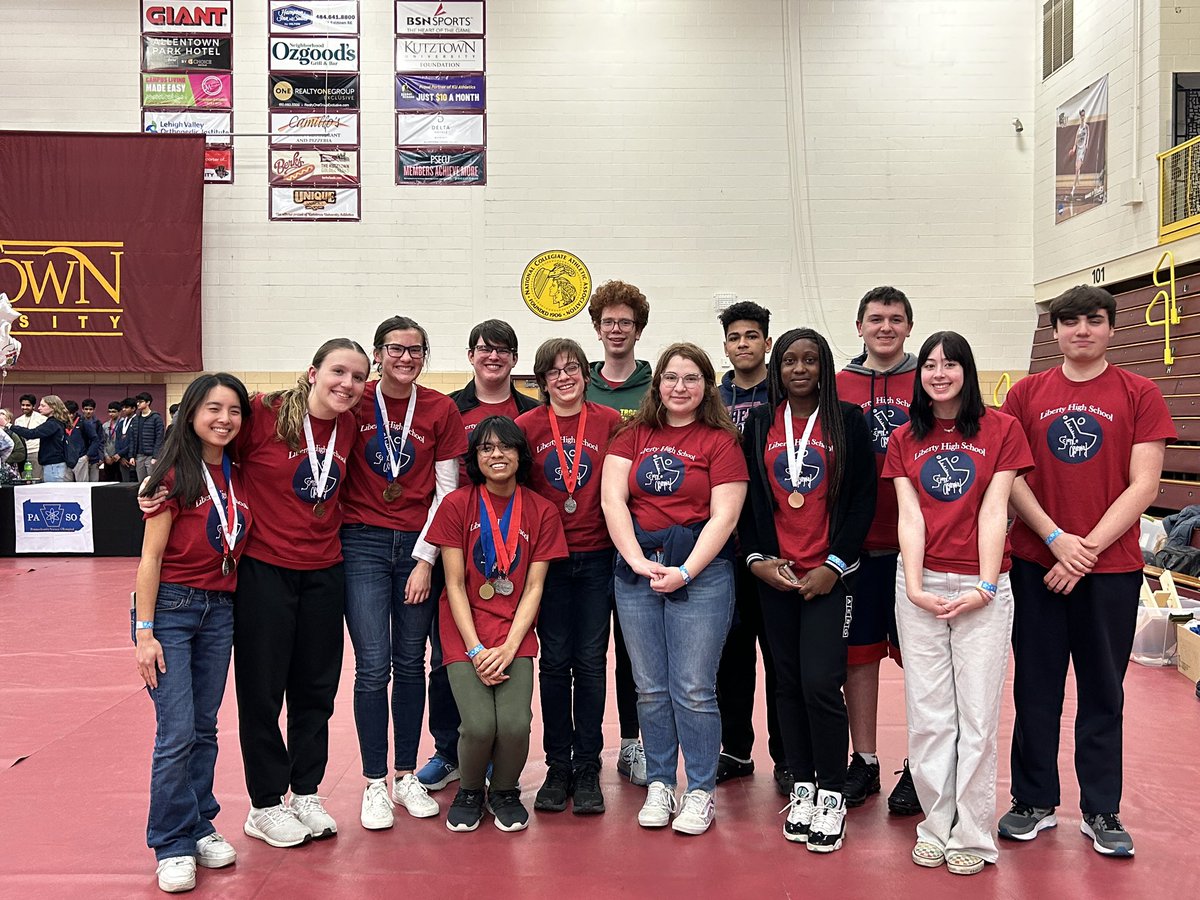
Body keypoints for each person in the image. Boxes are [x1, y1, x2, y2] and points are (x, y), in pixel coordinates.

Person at [999, 285, 1175, 858]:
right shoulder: (1026, 394)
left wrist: (1086, 551)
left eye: (1093, 321)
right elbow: (1011, 477)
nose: (1081, 331)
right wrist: (1054, 539)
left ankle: (1101, 808)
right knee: (1036, 685)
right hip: (1037, 564)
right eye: (1070, 322)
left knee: (1104, 690)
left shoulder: (1139, 392)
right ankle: (1033, 800)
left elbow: (1144, 485)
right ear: (1054, 332)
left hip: (1110, 568)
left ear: (1110, 328)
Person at [883, 331, 1033, 876]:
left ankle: (972, 832)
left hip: (984, 587)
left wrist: (987, 586)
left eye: (950, 364)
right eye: (929, 365)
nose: (939, 373)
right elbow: (911, 517)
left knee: (976, 714)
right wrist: (917, 585)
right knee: (928, 717)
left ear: (967, 371)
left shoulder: (1002, 430)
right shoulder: (905, 437)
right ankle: (934, 823)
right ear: (919, 375)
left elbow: (996, 512)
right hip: (919, 583)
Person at [601, 342, 748, 836]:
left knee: (694, 689)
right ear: (657, 383)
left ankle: (701, 789)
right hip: (639, 571)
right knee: (650, 687)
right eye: (670, 377)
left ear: (706, 385)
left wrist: (685, 571)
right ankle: (662, 782)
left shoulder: (721, 441)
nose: (679, 387)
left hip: (701, 575)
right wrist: (638, 561)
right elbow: (613, 502)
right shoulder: (633, 434)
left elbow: (725, 516)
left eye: (690, 378)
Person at [739, 328, 876, 853]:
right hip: (778, 575)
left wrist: (835, 566)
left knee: (822, 682)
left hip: (828, 576)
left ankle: (831, 790)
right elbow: (750, 499)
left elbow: (863, 500)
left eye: (810, 360)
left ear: (824, 367)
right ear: (778, 368)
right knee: (787, 682)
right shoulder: (759, 423)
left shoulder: (849, 422)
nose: (800, 369)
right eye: (790, 360)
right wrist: (757, 561)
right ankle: (799, 784)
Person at [340, 316, 467, 831]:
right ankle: (374, 783)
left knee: (411, 663)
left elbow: (447, 491)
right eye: (396, 349)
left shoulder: (440, 408)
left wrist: (425, 559)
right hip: (362, 543)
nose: (406, 358)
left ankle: (406, 773)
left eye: (416, 351)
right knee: (372, 666)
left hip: (418, 546)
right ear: (378, 353)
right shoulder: (355, 398)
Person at [133, 373, 253, 893]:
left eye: (233, 410)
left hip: (220, 611)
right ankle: (171, 842)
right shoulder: (172, 476)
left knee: (205, 728)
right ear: (191, 414)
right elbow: (150, 558)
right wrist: (145, 631)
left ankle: (201, 822)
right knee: (176, 730)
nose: (224, 419)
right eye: (213, 409)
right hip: (173, 612)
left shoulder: (240, 474)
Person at [425, 415, 568, 833]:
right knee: (479, 724)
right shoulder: (457, 505)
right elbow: (452, 583)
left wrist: (508, 647)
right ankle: (471, 790)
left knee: (515, 723)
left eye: (506, 447)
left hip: (515, 635)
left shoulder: (541, 510)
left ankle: (504, 790)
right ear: (475, 457)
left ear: (521, 454)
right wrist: (474, 649)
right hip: (464, 632)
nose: (496, 454)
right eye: (486, 448)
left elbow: (534, 587)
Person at [416, 320, 540, 794]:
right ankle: (450, 750)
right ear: (470, 355)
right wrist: (426, 557)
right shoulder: (451, 409)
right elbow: (441, 479)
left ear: (514, 358)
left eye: (504, 350)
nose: (494, 357)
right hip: (458, 541)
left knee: (512, 650)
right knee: (444, 659)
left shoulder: (531, 412)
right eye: (484, 349)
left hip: (513, 549)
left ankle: (494, 756)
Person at [516, 338, 622, 815]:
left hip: (598, 555)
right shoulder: (526, 426)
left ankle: (587, 764)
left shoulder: (609, 422)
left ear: (586, 373)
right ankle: (557, 765)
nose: (564, 377)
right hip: (549, 562)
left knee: (592, 662)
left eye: (573, 368)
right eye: (554, 371)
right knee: (555, 662)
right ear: (541, 380)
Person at [835, 285, 921, 814]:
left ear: (909, 326)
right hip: (859, 546)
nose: (885, 327)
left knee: (922, 661)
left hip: (921, 548)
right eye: (875, 318)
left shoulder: (932, 378)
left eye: (895, 318)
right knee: (858, 657)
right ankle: (863, 760)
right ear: (860, 327)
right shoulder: (838, 384)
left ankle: (920, 765)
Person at [713, 301, 788, 795]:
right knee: (730, 657)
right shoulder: (713, 396)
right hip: (724, 546)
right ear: (726, 345)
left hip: (775, 539)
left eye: (752, 335)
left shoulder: (783, 393)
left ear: (765, 340)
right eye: (735, 336)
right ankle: (736, 750)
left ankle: (788, 755)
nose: (743, 343)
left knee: (781, 657)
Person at [586, 279, 653, 785]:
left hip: (644, 537)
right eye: (608, 321)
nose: (616, 330)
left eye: (625, 322)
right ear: (596, 327)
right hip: (585, 538)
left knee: (635, 653)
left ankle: (633, 744)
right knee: (587, 653)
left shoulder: (658, 386)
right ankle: (583, 753)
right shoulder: (577, 384)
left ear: (638, 329)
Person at [8, 394, 69, 482]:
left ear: (53, 407)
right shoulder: (55, 422)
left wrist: (9, 425)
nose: (39, 408)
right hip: (52, 464)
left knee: (53, 492)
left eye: (43, 406)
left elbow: (32, 433)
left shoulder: (52, 424)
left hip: (53, 465)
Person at [130, 392, 166, 482]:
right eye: (137, 402)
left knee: (152, 481)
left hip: (151, 455)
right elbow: (132, 439)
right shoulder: (135, 419)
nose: (138, 404)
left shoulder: (156, 418)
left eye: (141, 402)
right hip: (139, 456)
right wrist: (131, 456)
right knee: (141, 482)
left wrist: (156, 456)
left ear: (148, 402)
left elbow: (159, 438)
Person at [13, 393, 46, 480]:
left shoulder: (42, 419)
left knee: (36, 478)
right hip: (23, 455)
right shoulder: (18, 420)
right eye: (23, 405)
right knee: (24, 480)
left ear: (34, 406)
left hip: (36, 452)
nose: (25, 407)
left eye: (28, 405)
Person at [81, 398, 104, 481]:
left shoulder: (97, 423)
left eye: (90, 409)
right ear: (82, 409)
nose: (88, 411)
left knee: (94, 482)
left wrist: (101, 457)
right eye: (86, 409)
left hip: (95, 458)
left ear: (94, 410)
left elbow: (101, 441)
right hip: (82, 456)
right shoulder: (79, 422)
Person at [117, 397, 139, 483]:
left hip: (132, 457)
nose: (123, 409)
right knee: (124, 482)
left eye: (126, 407)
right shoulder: (121, 422)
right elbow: (117, 440)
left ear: (133, 408)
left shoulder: (137, 421)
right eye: (123, 407)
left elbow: (134, 441)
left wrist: (121, 453)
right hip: (121, 458)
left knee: (133, 482)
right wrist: (119, 456)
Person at [101, 401, 123, 481]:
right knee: (108, 480)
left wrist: (119, 455)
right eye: (109, 411)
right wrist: (106, 456)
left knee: (120, 480)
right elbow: (103, 442)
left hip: (119, 457)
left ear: (120, 412)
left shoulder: (123, 423)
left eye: (113, 412)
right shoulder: (105, 425)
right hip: (108, 457)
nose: (111, 414)